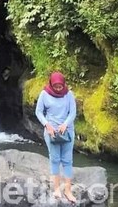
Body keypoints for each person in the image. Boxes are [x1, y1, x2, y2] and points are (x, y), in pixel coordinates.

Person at [35, 71, 77, 203]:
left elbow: (73, 112)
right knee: (55, 159)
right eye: (56, 87)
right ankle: (57, 189)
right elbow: (38, 112)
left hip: (67, 131)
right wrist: (47, 124)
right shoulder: (44, 94)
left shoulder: (69, 95)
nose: (59, 89)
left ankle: (68, 190)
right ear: (51, 85)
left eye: (60, 86)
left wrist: (65, 124)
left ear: (64, 85)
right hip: (51, 132)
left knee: (67, 160)